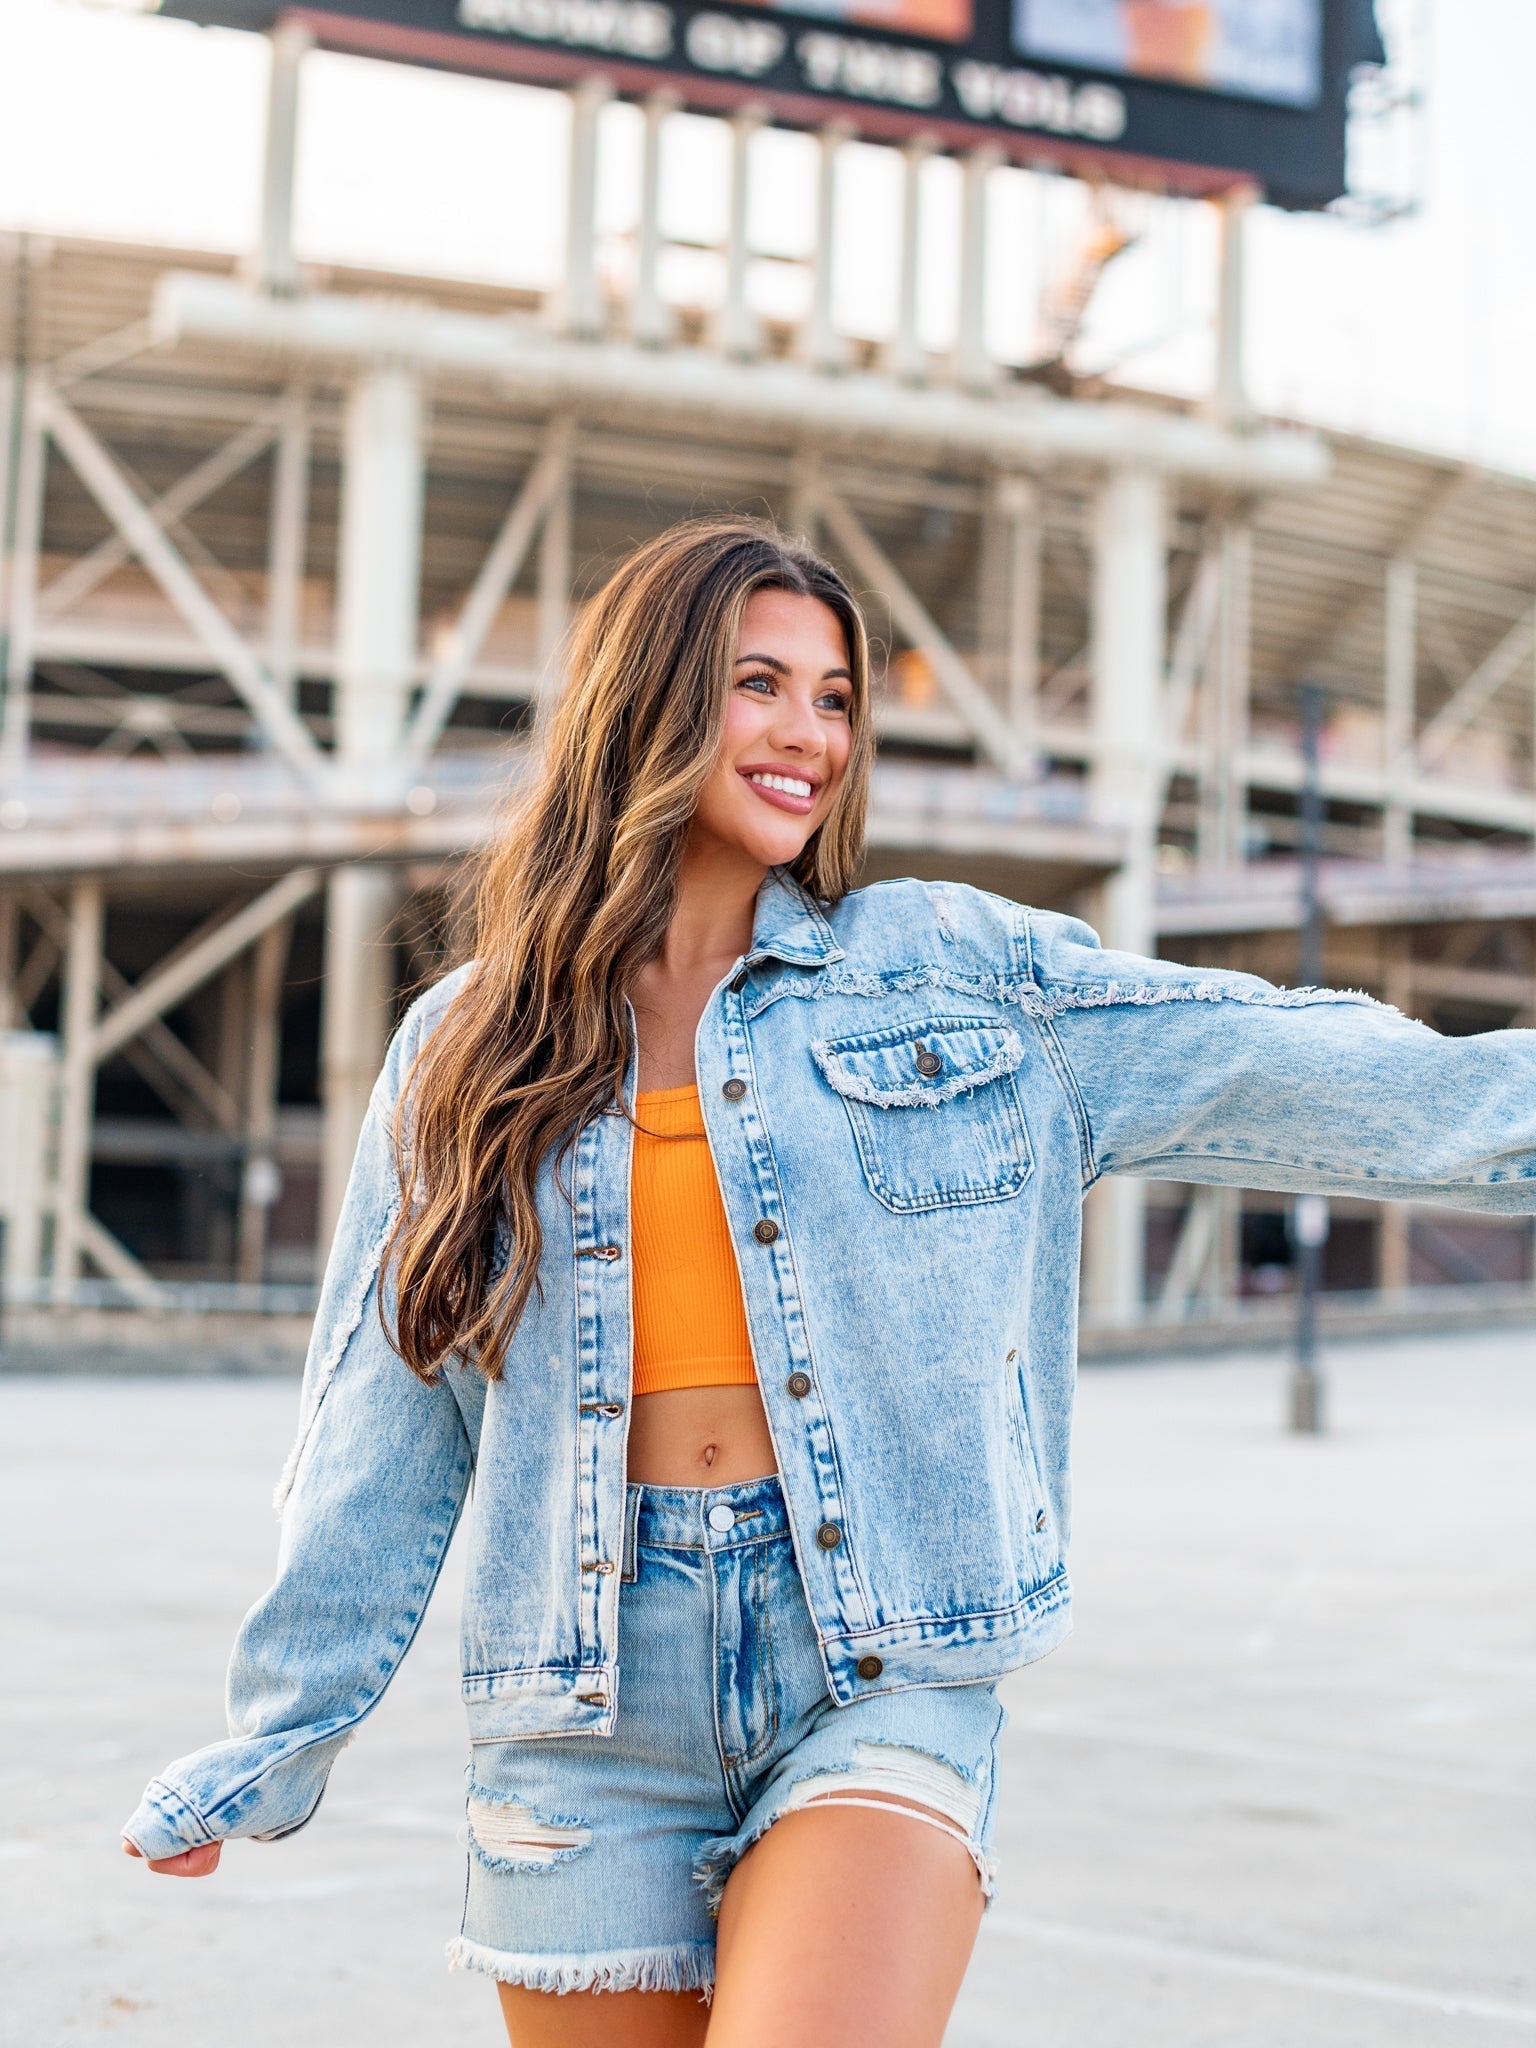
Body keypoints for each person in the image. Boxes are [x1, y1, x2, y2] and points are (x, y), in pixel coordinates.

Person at [122, 517, 1536, 2047]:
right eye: (762, 685)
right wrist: (278, 1737)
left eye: (839, 697)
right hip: (584, 1717)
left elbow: (1287, 1056)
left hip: (873, 1664)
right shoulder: (469, 1046)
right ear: (646, 703)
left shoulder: (952, 973)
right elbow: (378, 1427)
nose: (812, 734)